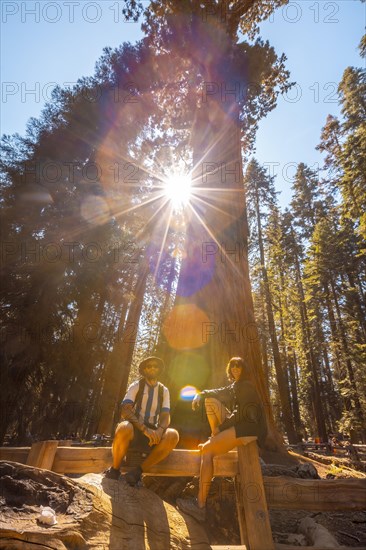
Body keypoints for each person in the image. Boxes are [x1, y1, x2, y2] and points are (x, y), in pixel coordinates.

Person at [177, 357, 267, 522]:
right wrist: (201, 394)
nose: (235, 370)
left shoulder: (246, 386)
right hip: (239, 427)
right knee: (210, 401)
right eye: (232, 367)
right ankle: (216, 440)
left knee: (207, 450)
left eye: (238, 367)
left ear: (243, 369)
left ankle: (200, 505)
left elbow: (243, 413)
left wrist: (221, 427)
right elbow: (219, 391)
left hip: (247, 429)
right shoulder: (235, 385)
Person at [104, 356, 179, 486]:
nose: (152, 368)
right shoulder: (136, 386)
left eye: (155, 366)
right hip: (136, 430)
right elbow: (125, 410)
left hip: (153, 434)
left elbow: (165, 415)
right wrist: (145, 429)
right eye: (149, 366)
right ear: (144, 370)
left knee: (173, 435)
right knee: (123, 428)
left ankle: (138, 472)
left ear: (159, 369)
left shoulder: (164, 390)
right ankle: (115, 470)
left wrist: (160, 431)